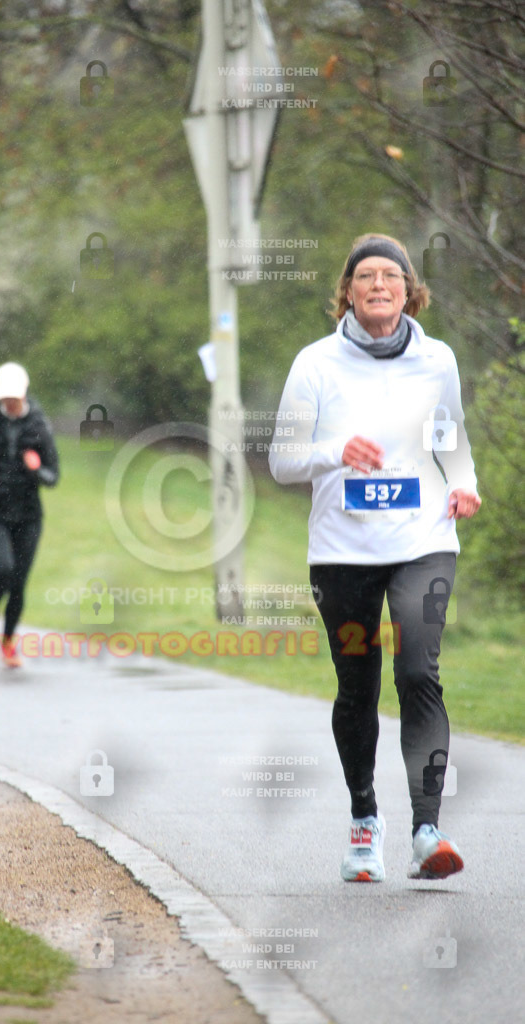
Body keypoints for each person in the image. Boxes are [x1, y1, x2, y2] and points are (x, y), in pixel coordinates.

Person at [269, 233, 481, 882]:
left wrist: (463, 481)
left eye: (391, 275)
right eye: (366, 276)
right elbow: (281, 461)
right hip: (341, 552)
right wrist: (336, 451)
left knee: (418, 673)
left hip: (423, 541)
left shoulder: (435, 358)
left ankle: (426, 830)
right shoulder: (315, 364)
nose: (379, 285)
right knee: (355, 687)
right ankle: (365, 821)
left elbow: (449, 434)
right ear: (348, 292)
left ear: (408, 288)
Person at [0, 362, 59, 668]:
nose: (9, 403)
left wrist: (36, 469)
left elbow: (53, 476)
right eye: (5, 398)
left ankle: (7, 642)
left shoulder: (40, 425)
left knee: (19, 582)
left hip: (29, 515)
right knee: (3, 569)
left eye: (14, 398)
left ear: (23, 394)